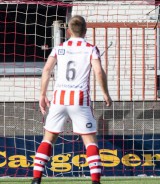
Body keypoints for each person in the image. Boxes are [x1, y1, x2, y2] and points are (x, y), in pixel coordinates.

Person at [31, 15, 112, 184]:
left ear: (68, 31)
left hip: (59, 99)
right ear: (86, 30)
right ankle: (96, 181)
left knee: (48, 138)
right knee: (90, 140)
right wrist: (105, 93)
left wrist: (42, 95)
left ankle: (36, 178)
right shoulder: (90, 48)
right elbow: (98, 71)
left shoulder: (59, 48)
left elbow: (46, 70)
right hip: (79, 100)